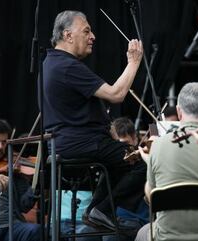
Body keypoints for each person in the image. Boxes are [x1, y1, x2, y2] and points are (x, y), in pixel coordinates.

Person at [43, 10, 145, 228]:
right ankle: (102, 210)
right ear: (68, 35)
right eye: (86, 31)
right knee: (144, 161)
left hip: (68, 142)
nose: (93, 37)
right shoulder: (68, 66)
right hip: (82, 143)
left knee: (122, 163)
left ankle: (97, 211)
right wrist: (134, 61)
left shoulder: (50, 63)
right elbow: (116, 94)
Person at [135, 82, 198, 241]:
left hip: (167, 237)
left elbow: (151, 198)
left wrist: (151, 163)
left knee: (143, 232)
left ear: (179, 112)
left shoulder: (158, 145)